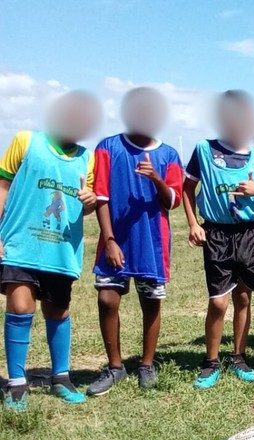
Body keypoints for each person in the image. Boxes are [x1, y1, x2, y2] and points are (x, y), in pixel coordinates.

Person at [0, 91, 102, 411]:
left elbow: (87, 202)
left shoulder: (89, 158)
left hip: (60, 250)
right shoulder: (26, 141)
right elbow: (2, 185)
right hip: (21, 242)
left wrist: (90, 203)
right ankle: (16, 384)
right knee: (20, 306)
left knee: (58, 311)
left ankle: (61, 377)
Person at [88, 87, 183, 396]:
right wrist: (110, 239)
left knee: (151, 303)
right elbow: (101, 196)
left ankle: (146, 364)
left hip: (152, 244)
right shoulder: (108, 147)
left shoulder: (169, 154)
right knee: (107, 299)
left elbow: (173, 200)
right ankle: (115, 367)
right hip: (116, 241)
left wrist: (156, 178)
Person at [182, 90, 254, 389]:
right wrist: (194, 223)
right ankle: (210, 363)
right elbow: (187, 189)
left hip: (251, 234)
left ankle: (239, 357)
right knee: (219, 303)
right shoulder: (204, 150)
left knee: (244, 297)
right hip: (218, 234)